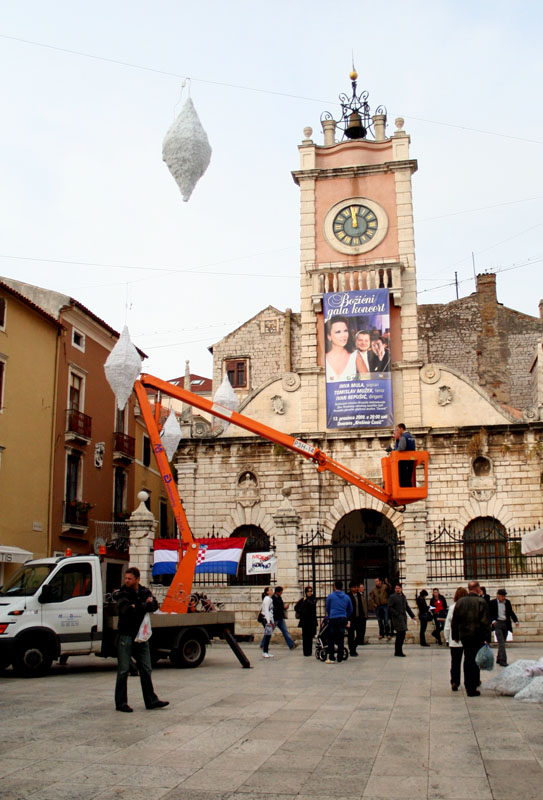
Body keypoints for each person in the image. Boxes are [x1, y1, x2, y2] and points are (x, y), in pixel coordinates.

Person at [114, 567, 169, 712]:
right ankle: (121, 703)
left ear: (137, 579)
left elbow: (154, 605)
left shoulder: (144, 591)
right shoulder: (122, 593)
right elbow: (126, 610)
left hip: (141, 636)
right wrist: (144, 605)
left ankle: (151, 700)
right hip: (126, 634)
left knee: (146, 668)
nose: (126, 581)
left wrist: (137, 605)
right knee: (123, 670)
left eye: (130, 578)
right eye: (126, 578)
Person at [451, 580, 491, 697]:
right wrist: (487, 637)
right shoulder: (481, 601)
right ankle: (472, 686)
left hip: (465, 635)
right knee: (475, 661)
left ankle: (469, 684)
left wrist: (455, 635)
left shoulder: (460, 602)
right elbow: (485, 621)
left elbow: (455, 620)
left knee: (468, 659)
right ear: (478, 588)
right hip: (477, 635)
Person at [444, 586, 468, 691]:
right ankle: (469, 681)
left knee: (455, 662)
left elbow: (448, 624)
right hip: (467, 638)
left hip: (455, 639)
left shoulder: (453, 607)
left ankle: (455, 681)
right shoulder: (469, 607)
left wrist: (447, 638)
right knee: (468, 662)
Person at [324, 580, 353, 663]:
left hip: (333, 618)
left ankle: (332, 657)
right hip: (342, 618)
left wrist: (330, 615)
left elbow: (327, 608)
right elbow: (350, 609)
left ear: (334, 587)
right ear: (342, 587)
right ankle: (340, 657)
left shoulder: (330, 596)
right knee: (341, 638)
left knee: (331, 638)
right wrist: (345, 615)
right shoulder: (346, 597)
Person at [489, 589, 519, 667]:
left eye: (504, 596)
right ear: (498, 595)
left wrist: (516, 621)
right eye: (502, 596)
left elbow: (511, 612)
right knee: (501, 643)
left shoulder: (507, 602)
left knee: (502, 642)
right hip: (497, 624)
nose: (503, 597)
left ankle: (499, 658)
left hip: (505, 623)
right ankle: (503, 660)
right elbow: (488, 613)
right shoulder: (492, 603)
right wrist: (492, 621)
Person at [325, 316, 358, 382]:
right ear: (329, 336)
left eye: (345, 331)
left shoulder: (355, 355)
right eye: (338, 332)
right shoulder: (323, 358)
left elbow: (368, 381)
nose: (343, 335)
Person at [387, 583, 417, 657]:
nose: (397, 589)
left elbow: (407, 607)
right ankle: (398, 651)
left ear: (401, 589)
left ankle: (398, 650)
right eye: (396, 588)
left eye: (399, 588)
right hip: (397, 618)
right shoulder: (392, 597)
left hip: (403, 618)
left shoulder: (403, 597)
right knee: (400, 633)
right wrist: (396, 613)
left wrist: (412, 616)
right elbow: (390, 607)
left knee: (402, 634)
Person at [295, 586, 318, 657]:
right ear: (306, 592)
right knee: (305, 636)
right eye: (308, 591)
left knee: (310, 636)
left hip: (311, 620)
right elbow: (296, 607)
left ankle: (309, 651)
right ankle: (305, 652)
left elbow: (313, 605)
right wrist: (301, 611)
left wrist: (306, 600)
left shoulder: (313, 599)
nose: (309, 593)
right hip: (304, 620)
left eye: (310, 591)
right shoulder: (302, 600)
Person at [347, 580, 368, 656]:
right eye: (354, 587)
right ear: (351, 588)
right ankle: (352, 649)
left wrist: (365, 615)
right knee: (351, 635)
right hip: (351, 618)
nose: (356, 588)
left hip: (360, 618)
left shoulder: (360, 595)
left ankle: (354, 646)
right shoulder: (348, 596)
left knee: (360, 635)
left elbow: (364, 605)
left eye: (356, 587)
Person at [393, 423, 416, 487]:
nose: (397, 431)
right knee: (408, 477)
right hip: (411, 459)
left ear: (401, 428)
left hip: (404, 461)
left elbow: (401, 448)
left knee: (404, 478)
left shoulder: (403, 437)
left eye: (397, 430)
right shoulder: (411, 436)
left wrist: (395, 450)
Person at [260, 586, 275, 658]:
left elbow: (270, 611)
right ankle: (265, 652)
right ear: (267, 592)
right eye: (270, 590)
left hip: (268, 619)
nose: (272, 591)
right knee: (267, 635)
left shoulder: (270, 599)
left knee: (268, 635)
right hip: (265, 619)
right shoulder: (267, 599)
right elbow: (266, 610)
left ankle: (266, 651)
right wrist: (268, 621)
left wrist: (272, 621)